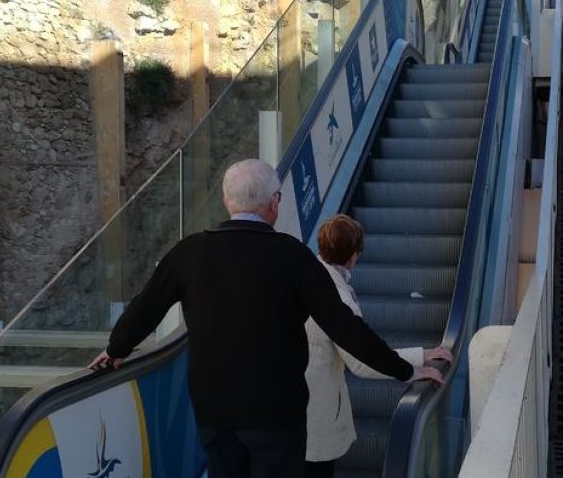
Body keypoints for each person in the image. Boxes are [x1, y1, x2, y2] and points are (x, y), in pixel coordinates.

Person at [89, 159, 444, 478]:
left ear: (227, 202)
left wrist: (116, 349)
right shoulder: (293, 258)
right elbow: (345, 327)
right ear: (273, 203)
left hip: (215, 408)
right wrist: (405, 369)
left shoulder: (190, 252)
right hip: (277, 412)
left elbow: (146, 306)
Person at [304, 215, 454, 478]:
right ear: (354, 255)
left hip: (286, 409)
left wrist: (420, 355)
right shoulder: (338, 298)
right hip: (312, 414)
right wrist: (412, 368)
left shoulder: (306, 275)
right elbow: (361, 359)